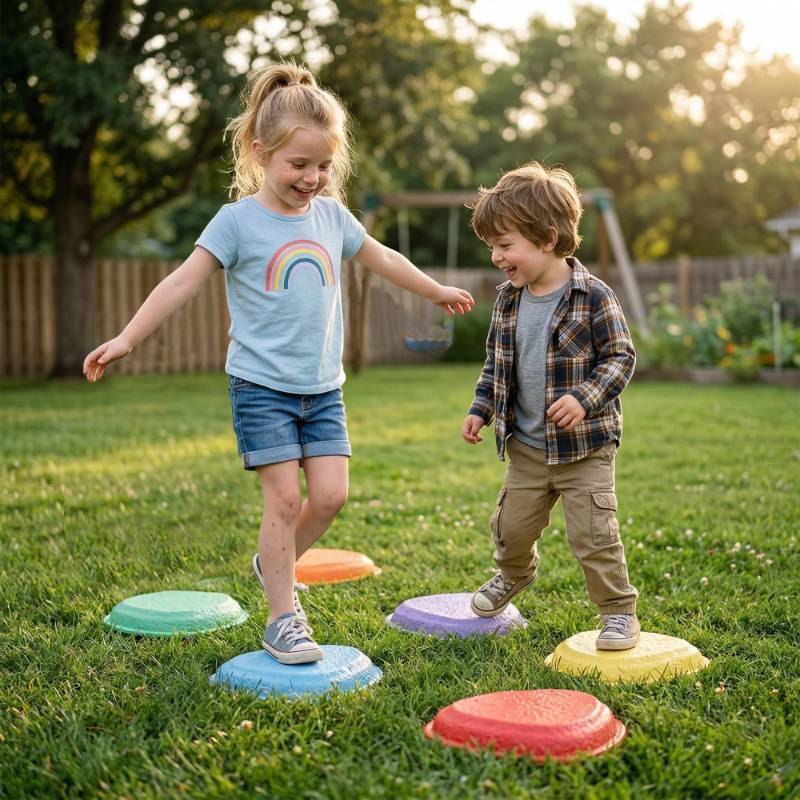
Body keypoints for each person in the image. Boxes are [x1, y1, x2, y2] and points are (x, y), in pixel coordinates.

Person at [84, 62, 474, 664]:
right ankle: (282, 615)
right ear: (259, 151)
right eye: (299, 165)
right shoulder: (237, 222)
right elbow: (181, 282)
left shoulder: (332, 218)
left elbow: (383, 257)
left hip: (323, 389)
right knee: (284, 501)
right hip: (260, 386)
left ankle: (272, 562)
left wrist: (435, 290)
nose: (312, 178)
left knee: (331, 497)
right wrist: (127, 338)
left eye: (322, 166)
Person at [461, 162, 640, 650]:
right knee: (511, 528)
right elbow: (495, 365)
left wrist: (584, 398)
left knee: (594, 536)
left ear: (546, 237)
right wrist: (481, 408)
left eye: (505, 245)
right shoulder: (507, 301)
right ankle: (513, 575)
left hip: (585, 449)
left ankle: (618, 612)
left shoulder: (594, 296)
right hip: (527, 448)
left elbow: (621, 357)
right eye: (492, 246)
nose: (497, 256)